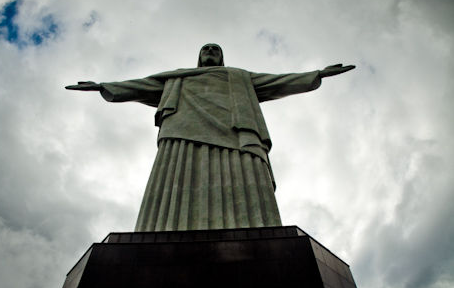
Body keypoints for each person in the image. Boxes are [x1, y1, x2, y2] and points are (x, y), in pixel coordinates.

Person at [67, 44, 355, 231]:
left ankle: (252, 229)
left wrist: (317, 74)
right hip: (181, 132)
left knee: (243, 181)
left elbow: (279, 81)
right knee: (177, 178)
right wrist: (102, 86)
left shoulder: (238, 76)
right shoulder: (178, 77)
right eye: (206, 49)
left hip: (236, 133)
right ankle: (165, 230)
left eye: (215, 50)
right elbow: (139, 85)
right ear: (198, 56)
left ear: (222, 57)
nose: (210, 52)